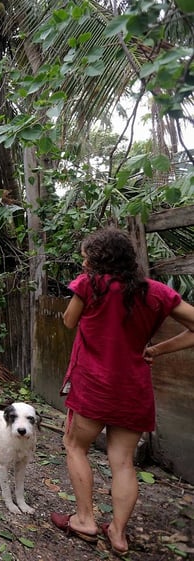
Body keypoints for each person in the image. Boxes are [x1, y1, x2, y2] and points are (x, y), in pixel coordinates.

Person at [51, 227, 194, 555]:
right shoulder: (156, 291)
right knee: (124, 462)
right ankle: (117, 534)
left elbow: (69, 322)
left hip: (93, 386)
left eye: (87, 255)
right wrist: (158, 350)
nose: (83, 260)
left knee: (74, 446)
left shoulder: (89, 285)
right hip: (133, 390)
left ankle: (85, 520)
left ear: (98, 258)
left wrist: (83, 288)